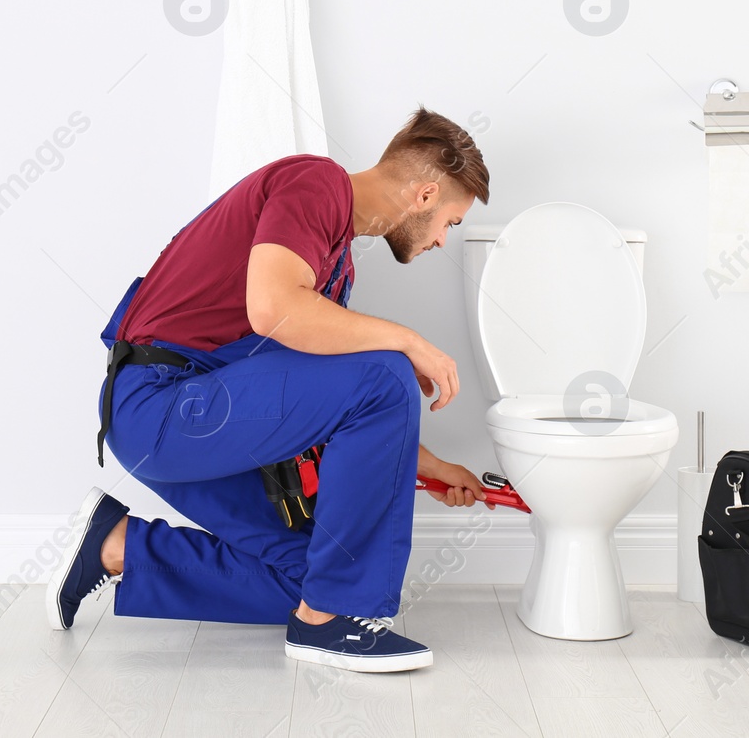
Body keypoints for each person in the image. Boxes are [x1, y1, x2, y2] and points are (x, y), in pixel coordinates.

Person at [46, 106, 494, 673]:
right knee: (386, 370)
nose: (440, 242)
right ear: (425, 196)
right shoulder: (317, 183)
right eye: (450, 223)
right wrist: (409, 342)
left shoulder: (333, 268)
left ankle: (115, 547)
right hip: (162, 405)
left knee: (314, 575)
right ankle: (329, 626)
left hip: (201, 423)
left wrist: (425, 466)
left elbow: (325, 409)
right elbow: (272, 309)